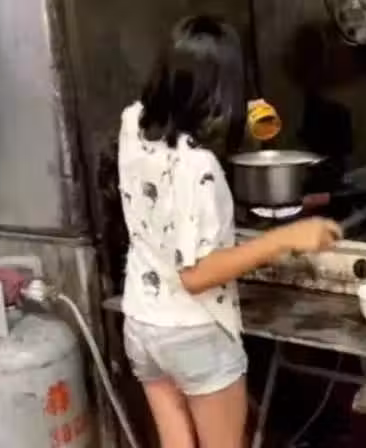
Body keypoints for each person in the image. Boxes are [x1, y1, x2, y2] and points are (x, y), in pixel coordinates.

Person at [117, 15, 342, 448]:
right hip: (195, 332)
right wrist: (284, 239)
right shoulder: (199, 168)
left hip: (143, 324)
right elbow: (196, 274)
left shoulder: (133, 123)